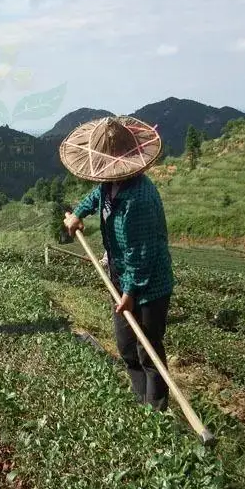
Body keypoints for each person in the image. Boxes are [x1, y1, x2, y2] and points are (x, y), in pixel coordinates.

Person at [61, 116, 174, 411]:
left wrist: (130, 293)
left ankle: (156, 414)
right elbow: (96, 195)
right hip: (122, 277)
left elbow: (142, 252)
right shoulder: (112, 184)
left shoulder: (139, 199)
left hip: (147, 285)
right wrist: (78, 214)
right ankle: (141, 405)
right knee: (126, 347)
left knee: (148, 350)